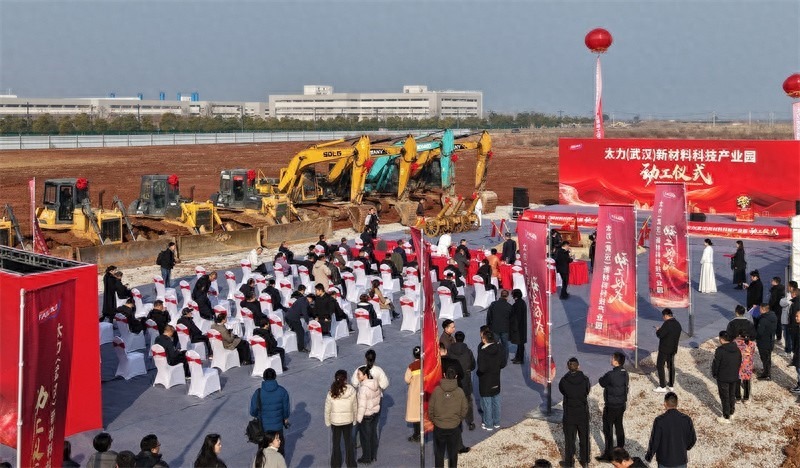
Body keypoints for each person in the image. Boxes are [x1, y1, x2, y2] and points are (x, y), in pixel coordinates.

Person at [429, 366, 469, 468]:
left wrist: (434, 420)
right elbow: (464, 408)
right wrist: (458, 420)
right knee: (453, 453)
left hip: (439, 427)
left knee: (439, 453)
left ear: (444, 375)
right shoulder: (460, 392)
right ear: (456, 376)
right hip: (454, 427)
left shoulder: (437, 391)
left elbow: (430, 409)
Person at [644, 392, 696, 466]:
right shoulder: (687, 419)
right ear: (677, 403)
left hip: (664, 461)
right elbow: (693, 439)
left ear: (665, 403)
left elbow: (654, 441)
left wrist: (649, 457)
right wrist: (686, 447)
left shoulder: (659, 421)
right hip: (681, 460)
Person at [596, 352, 629, 463]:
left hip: (611, 406)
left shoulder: (611, 375)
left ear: (616, 362)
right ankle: (621, 450)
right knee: (619, 426)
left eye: (613, 358)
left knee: (608, 429)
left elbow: (602, 382)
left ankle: (608, 454)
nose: (611, 360)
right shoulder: (625, 373)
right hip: (621, 405)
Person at [559, 357, 591, 468]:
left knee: (569, 439)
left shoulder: (564, 381)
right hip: (582, 412)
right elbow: (587, 391)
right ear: (578, 366)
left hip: (569, 413)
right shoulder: (585, 379)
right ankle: (585, 461)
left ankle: (569, 463)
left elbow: (563, 391)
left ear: (567, 367)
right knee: (584, 437)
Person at [250, 369, 290, 455]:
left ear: (264, 377)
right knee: (279, 451)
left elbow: (252, 411)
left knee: (263, 452)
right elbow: (286, 410)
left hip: (263, 428)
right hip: (278, 427)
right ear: (275, 376)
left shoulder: (258, 392)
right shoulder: (282, 391)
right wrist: (285, 418)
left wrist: (258, 415)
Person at [325, 369, 357, 468]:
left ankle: (335, 465)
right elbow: (355, 406)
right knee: (349, 444)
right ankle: (351, 464)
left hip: (335, 422)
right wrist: (354, 419)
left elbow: (327, 408)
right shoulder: (351, 390)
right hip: (348, 421)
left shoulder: (331, 391)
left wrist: (327, 421)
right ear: (346, 379)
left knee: (336, 444)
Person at [477, 329, 506, 431]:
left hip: (485, 380)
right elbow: (503, 363)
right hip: (496, 378)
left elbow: (481, 368)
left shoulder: (483, 352)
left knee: (487, 403)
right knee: (496, 400)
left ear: (484, 339)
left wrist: (479, 373)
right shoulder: (499, 348)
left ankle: (488, 423)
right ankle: (497, 422)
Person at [712, 330, 742, 424]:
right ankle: (732, 412)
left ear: (721, 339)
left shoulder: (720, 350)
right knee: (732, 395)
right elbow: (739, 362)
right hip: (734, 376)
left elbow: (716, 364)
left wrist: (715, 374)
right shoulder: (737, 349)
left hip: (723, 377)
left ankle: (726, 416)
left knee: (724, 396)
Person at [449, 331, 477, 431]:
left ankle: (456, 423)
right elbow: (473, 365)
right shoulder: (468, 351)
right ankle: (470, 422)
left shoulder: (450, 351)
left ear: (455, 339)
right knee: (468, 400)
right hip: (466, 379)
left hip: (454, 380)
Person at [355, 365, 382, 465]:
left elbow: (362, 406)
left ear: (365, 375)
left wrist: (358, 419)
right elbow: (378, 398)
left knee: (365, 438)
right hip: (374, 413)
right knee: (372, 435)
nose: (357, 376)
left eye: (359, 374)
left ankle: (366, 458)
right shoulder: (375, 384)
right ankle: (373, 455)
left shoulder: (363, 389)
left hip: (366, 415)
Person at [653, 308, 682, 393]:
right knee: (671, 366)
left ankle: (662, 386)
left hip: (664, 349)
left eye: (663, 316)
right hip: (673, 349)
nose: (663, 318)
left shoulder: (667, 324)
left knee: (660, 365)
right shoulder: (677, 324)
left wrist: (658, 330)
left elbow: (660, 335)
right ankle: (671, 385)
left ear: (666, 315)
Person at [404, 347, 423, 442]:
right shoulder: (426, 364)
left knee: (416, 415)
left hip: (415, 392)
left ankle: (417, 434)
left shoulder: (411, 366)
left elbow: (407, 379)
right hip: (425, 391)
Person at [487, 289, 513, 354]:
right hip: (505, 329)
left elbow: (489, 316)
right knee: (505, 345)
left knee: (494, 345)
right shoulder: (509, 306)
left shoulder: (493, 304)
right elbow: (512, 319)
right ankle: (504, 359)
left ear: (500, 295)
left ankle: (495, 358)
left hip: (494, 328)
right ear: (507, 296)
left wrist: (488, 326)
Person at [755, 302, 777, 380]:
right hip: (770, 340)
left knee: (765, 358)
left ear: (763, 309)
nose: (759, 310)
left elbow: (759, 333)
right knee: (768, 358)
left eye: (760, 309)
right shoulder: (773, 316)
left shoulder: (763, 320)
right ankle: (766, 370)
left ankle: (766, 375)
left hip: (763, 342)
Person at [734, 329, 756, 403]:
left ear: (740, 335)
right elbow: (752, 353)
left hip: (738, 363)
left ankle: (738, 397)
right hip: (748, 364)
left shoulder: (736, 343)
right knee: (747, 380)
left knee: (737, 380)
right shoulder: (752, 344)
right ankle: (746, 398)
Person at [509, 289, 528, 364]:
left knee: (520, 344)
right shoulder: (522, 302)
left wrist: (514, 327)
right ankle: (518, 357)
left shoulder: (517, 305)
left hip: (518, 327)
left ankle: (520, 358)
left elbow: (516, 317)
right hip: (521, 326)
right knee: (520, 344)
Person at [770, 277, 786, 342]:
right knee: (778, 323)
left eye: (772, 281)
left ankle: (773, 337)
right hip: (780, 308)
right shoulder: (781, 288)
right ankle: (779, 337)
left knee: (774, 323)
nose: (771, 281)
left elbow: (773, 300)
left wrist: (769, 306)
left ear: (775, 282)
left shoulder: (775, 289)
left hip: (775, 308)